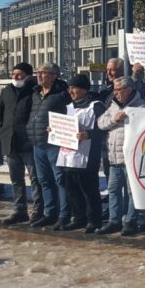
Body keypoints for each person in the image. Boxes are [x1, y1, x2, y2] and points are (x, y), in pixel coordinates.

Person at [55, 74, 106, 232]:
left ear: (84, 89)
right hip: (68, 155)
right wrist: (55, 130)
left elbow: (103, 129)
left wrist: (88, 134)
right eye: (70, 88)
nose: (71, 91)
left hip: (87, 155)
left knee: (89, 189)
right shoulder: (69, 107)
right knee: (72, 189)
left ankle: (94, 219)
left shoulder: (95, 106)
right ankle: (78, 217)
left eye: (74, 88)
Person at [96, 76, 145, 235]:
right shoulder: (112, 105)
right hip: (114, 158)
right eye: (114, 90)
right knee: (113, 190)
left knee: (132, 193)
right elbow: (101, 123)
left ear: (129, 89)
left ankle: (130, 221)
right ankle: (114, 221)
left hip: (131, 160)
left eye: (118, 90)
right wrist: (115, 119)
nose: (115, 93)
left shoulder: (141, 107)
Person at [0, 62, 41, 225]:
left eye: (19, 74)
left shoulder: (34, 91)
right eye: (13, 74)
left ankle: (38, 211)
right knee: (16, 179)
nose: (15, 77)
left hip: (28, 142)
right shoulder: (7, 91)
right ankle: (19, 210)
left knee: (36, 178)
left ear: (28, 76)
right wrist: (2, 129)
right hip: (10, 141)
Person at [26, 63, 71, 228]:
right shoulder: (36, 93)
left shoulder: (62, 94)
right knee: (44, 180)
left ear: (54, 75)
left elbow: (71, 115)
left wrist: (59, 129)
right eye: (39, 72)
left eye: (44, 72)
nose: (39, 75)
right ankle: (49, 213)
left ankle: (64, 214)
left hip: (54, 143)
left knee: (60, 180)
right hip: (37, 143)